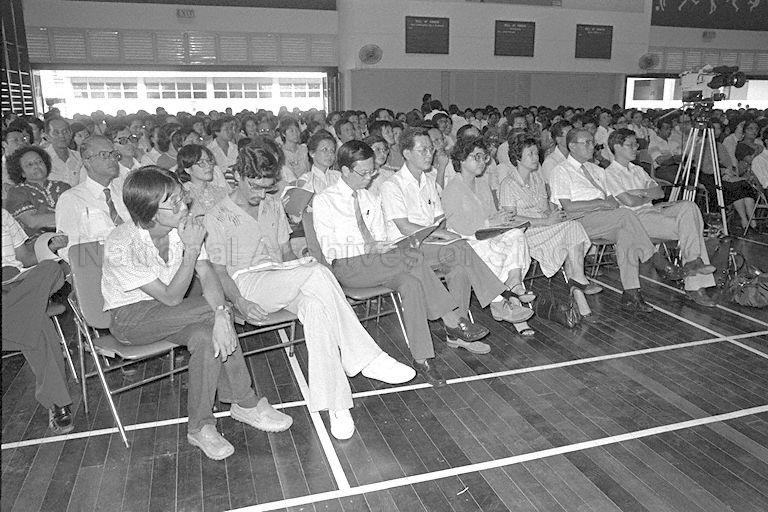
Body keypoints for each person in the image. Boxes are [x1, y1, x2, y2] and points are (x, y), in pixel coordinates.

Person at [203, 143, 415, 440]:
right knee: (318, 273)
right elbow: (219, 271)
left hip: (282, 276)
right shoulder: (217, 216)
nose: (260, 194)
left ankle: (337, 406)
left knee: (317, 305)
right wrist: (239, 301)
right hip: (247, 283)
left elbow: (284, 252)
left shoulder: (272, 203)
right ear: (237, 175)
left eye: (267, 187)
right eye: (254, 187)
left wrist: (298, 266)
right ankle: (364, 356)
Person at [101, 167, 290, 460]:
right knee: (214, 313)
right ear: (150, 212)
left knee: (205, 337)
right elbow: (172, 297)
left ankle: (200, 427)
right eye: (173, 203)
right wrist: (222, 309)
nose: (183, 205)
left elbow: (208, 274)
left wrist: (219, 316)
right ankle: (246, 401)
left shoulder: (184, 227)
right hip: (131, 319)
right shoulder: (121, 243)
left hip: (179, 315)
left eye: (181, 197)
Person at [314, 141, 491, 385]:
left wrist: (390, 244)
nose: (369, 177)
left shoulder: (369, 198)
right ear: (345, 170)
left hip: (382, 261)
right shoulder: (325, 200)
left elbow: (381, 236)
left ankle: (423, 359)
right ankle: (452, 320)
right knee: (413, 258)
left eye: (371, 171)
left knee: (411, 283)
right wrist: (367, 247)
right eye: (363, 173)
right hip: (349, 265)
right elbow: (328, 248)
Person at [380, 127, 530, 335]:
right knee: (461, 247)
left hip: (432, 245)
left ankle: (458, 331)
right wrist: (440, 233)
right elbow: (404, 227)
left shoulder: (428, 182)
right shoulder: (392, 185)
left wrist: (442, 232)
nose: (429, 154)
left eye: (430, 149)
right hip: (407, 248)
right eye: (422, 150)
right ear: (406, 153)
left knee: (460, 270)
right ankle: (499, 299)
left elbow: (439, 219)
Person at [605, 129, 717, 307]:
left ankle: (694, 261)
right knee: (692, 226)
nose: (636, 148)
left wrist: (639, 193)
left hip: (653, 211)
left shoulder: (638, 170)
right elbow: (629, 202)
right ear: (617, 147)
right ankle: (695, 284)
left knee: (690, 207)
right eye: (631, 144)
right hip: (635, 220)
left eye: (636, 144)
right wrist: (644, 193)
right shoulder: (609, 173)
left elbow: (658, 192)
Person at [550, 129, 657, 313]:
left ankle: (632, 294)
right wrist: (599, 203)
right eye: (587, 143)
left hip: (604, 218)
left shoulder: (597, 169)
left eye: (592, 142)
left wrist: (609, 202)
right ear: (572, 146)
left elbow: (613, 200)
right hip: (578, 222)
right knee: (626, 215)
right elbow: (568, 207)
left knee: (626, 233)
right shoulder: (561, 171)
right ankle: (654, 258)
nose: (592, 146)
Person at [441, 136, 538, 332]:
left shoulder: (483, 183)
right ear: (461, 159)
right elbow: (458, 226)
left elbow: (492, 216)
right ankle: (505, 301)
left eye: (483, 157)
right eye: (475, 157)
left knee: (517, 235)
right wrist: (489, 222)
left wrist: (502, 219)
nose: (481, 162)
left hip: (488, 234)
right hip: (466, 241)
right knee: (491, 251)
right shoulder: (452, 188)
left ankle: (514, 281)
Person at [498, 136, 601, 318]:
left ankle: (577, 284)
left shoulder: (538, 180)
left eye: (536, 153)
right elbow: (511, 220)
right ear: (517, 158)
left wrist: (554, 216)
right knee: (572, 231)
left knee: (571, 229)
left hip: (545, 229)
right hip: (524, 233)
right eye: (529, 153)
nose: (535, 156)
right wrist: (546, 221)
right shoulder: (508, 184)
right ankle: (578, 283)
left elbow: (545, 211)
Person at [2, 209, 73, 434]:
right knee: (37, 320)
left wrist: (49, 248)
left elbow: (24, 257)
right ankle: (57, 401)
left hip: (21, 281)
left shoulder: (4, 215)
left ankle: (18, 312)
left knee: (52, 268)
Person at [55, 136, 129, 260]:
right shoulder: (71, 199)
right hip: (98, 267)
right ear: (87, 161)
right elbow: (68, 250)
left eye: (114, 154)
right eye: (104, 155)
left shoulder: (125, 192)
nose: (112, 159)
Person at [5, 145, 71, 243]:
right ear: (22, 172)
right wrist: (68, 217)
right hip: (36, 247)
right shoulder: (17, 192)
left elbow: (79, 213)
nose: (36, 166)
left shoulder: (63, 186)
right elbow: (32, 222)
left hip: (71, 238)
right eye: (30, 164)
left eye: (39, 162)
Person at [176, 144, 230, 215]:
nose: (208, 166)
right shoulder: (182, 196)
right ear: (188, 170)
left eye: (209, 160)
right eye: (201, 162)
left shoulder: (221, 192)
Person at [44, 117, 84, 187]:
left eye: (65, 131)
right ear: (47, 137)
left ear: (71, 134)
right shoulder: (42, 159)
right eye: (56, 132)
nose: (62, 135)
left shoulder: (80, 158)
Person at [540, 120, 572, 185]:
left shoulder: (577, 156)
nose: (573, 138)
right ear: (558, 139)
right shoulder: (551, 162)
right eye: (569, 136)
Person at [277, 117, 309, 181]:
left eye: (297, 130)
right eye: (292, 131)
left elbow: (308, 170)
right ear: (283, 134)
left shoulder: (304, 149)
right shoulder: (280, 153)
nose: (296, 134)